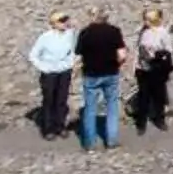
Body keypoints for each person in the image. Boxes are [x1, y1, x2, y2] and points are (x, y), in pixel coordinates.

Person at [72, 9, 128, 151]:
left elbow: (77, 54)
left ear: (92, 17)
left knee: (90, 108)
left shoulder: (85, 33)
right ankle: (112, 141)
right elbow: (122, 55)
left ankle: (90, 144)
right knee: (112, 106)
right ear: (106, 17)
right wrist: (117, 64)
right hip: (110, 73)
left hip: (91, 74)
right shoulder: (114, 31)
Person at [28, 11, 78, 140]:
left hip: (64, 72)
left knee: (62, 100)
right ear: (53, 24)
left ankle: (60, 126)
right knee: (49, 100)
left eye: (65, 20)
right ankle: (48, 129)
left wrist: (71, 63)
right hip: (49, 73)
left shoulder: (69, 34)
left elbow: (74, 48)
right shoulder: (45, 37)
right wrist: (44, 67)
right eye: (61, 21)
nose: (65, 23)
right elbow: (33, 55)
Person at [130, 7, 173, 135]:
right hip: (143, 68)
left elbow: (169, 50)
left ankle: (160, 119)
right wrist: (135, 66)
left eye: (147, 19)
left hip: (157, 69)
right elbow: (138, 50)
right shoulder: (143, 32)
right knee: (143, 96)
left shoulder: (162, 32)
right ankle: (141, 123)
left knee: (158, 95)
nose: (145, 22)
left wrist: (160, 57)